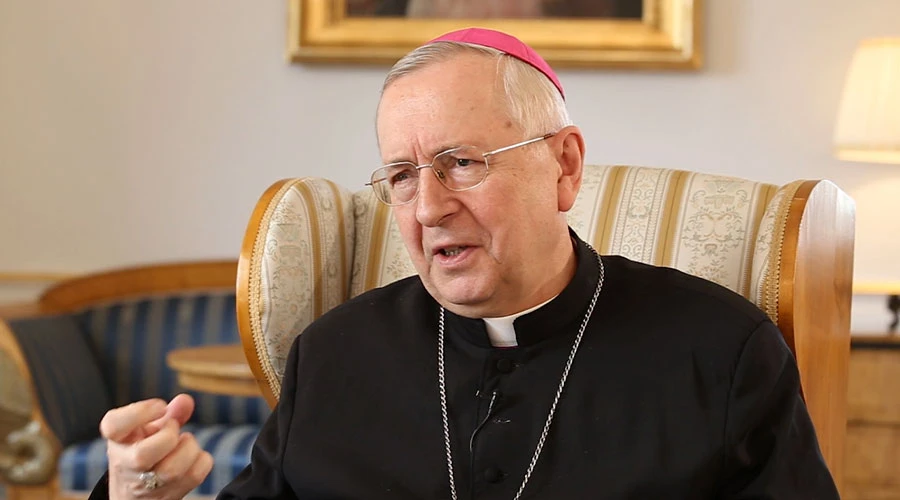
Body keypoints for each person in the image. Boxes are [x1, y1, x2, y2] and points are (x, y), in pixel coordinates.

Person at [89, 28, 840, 499]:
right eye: (402, 175)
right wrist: (131, 494)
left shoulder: (720, 351)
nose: (427, 208)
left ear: (564, 167)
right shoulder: (334, 356)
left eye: (461, 163)